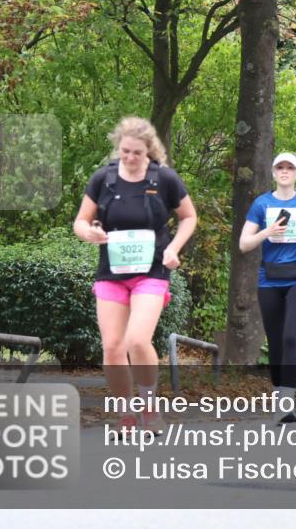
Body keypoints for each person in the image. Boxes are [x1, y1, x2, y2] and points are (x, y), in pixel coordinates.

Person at [73, 117, 197, 435]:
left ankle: (150, 407)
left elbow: (188, 217)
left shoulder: (164, 178)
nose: (130, 158)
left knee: (137, 340)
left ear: (149, 151)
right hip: (112, 272)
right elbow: (80, 222)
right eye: (125, 151)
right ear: (119, 147)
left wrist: (174, 248)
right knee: (113, 347)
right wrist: (90, 233)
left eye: (137, 153)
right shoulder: (103, 179)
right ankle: (125, 414)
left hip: (152, 270)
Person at [239, 152, 296, 423]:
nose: (285, 171)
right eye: (280, 167)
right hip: (269, 278)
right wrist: (267, 232)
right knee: (275, 340)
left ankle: (286, 403)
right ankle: (280, 394)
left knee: (290, 337)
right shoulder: (262, 204)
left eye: (290, 167)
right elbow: (244, 244)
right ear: (274, 172)